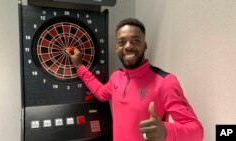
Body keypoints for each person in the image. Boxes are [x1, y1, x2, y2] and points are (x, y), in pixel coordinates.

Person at [68, 18, 204, 141]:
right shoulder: (116, 77)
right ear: (117, 48)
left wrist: (167, 131)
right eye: (122, 42)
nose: (128, 46)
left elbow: (197, 131)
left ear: (144, 45)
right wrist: (79, 66)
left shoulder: (165, 82)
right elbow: (100, 92)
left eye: (135, 40)